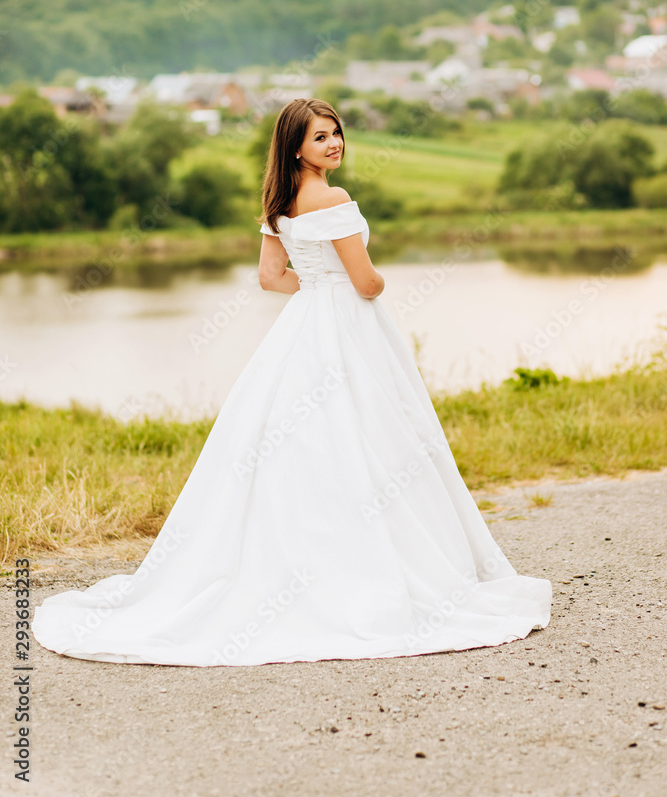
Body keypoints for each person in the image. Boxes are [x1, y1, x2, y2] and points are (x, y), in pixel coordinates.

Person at [32, 98, 551, 667]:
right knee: (371, 434)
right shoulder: (334, 198)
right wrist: (361, 280)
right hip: (351, 324)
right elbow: (367, 282)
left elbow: (270, 278)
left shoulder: (279, 202)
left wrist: (316, 287)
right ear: (296, 146)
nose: (334, 144)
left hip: (304, 324)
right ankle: (379, 561)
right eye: (321, 137)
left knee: (296, 438)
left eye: (337, 133)